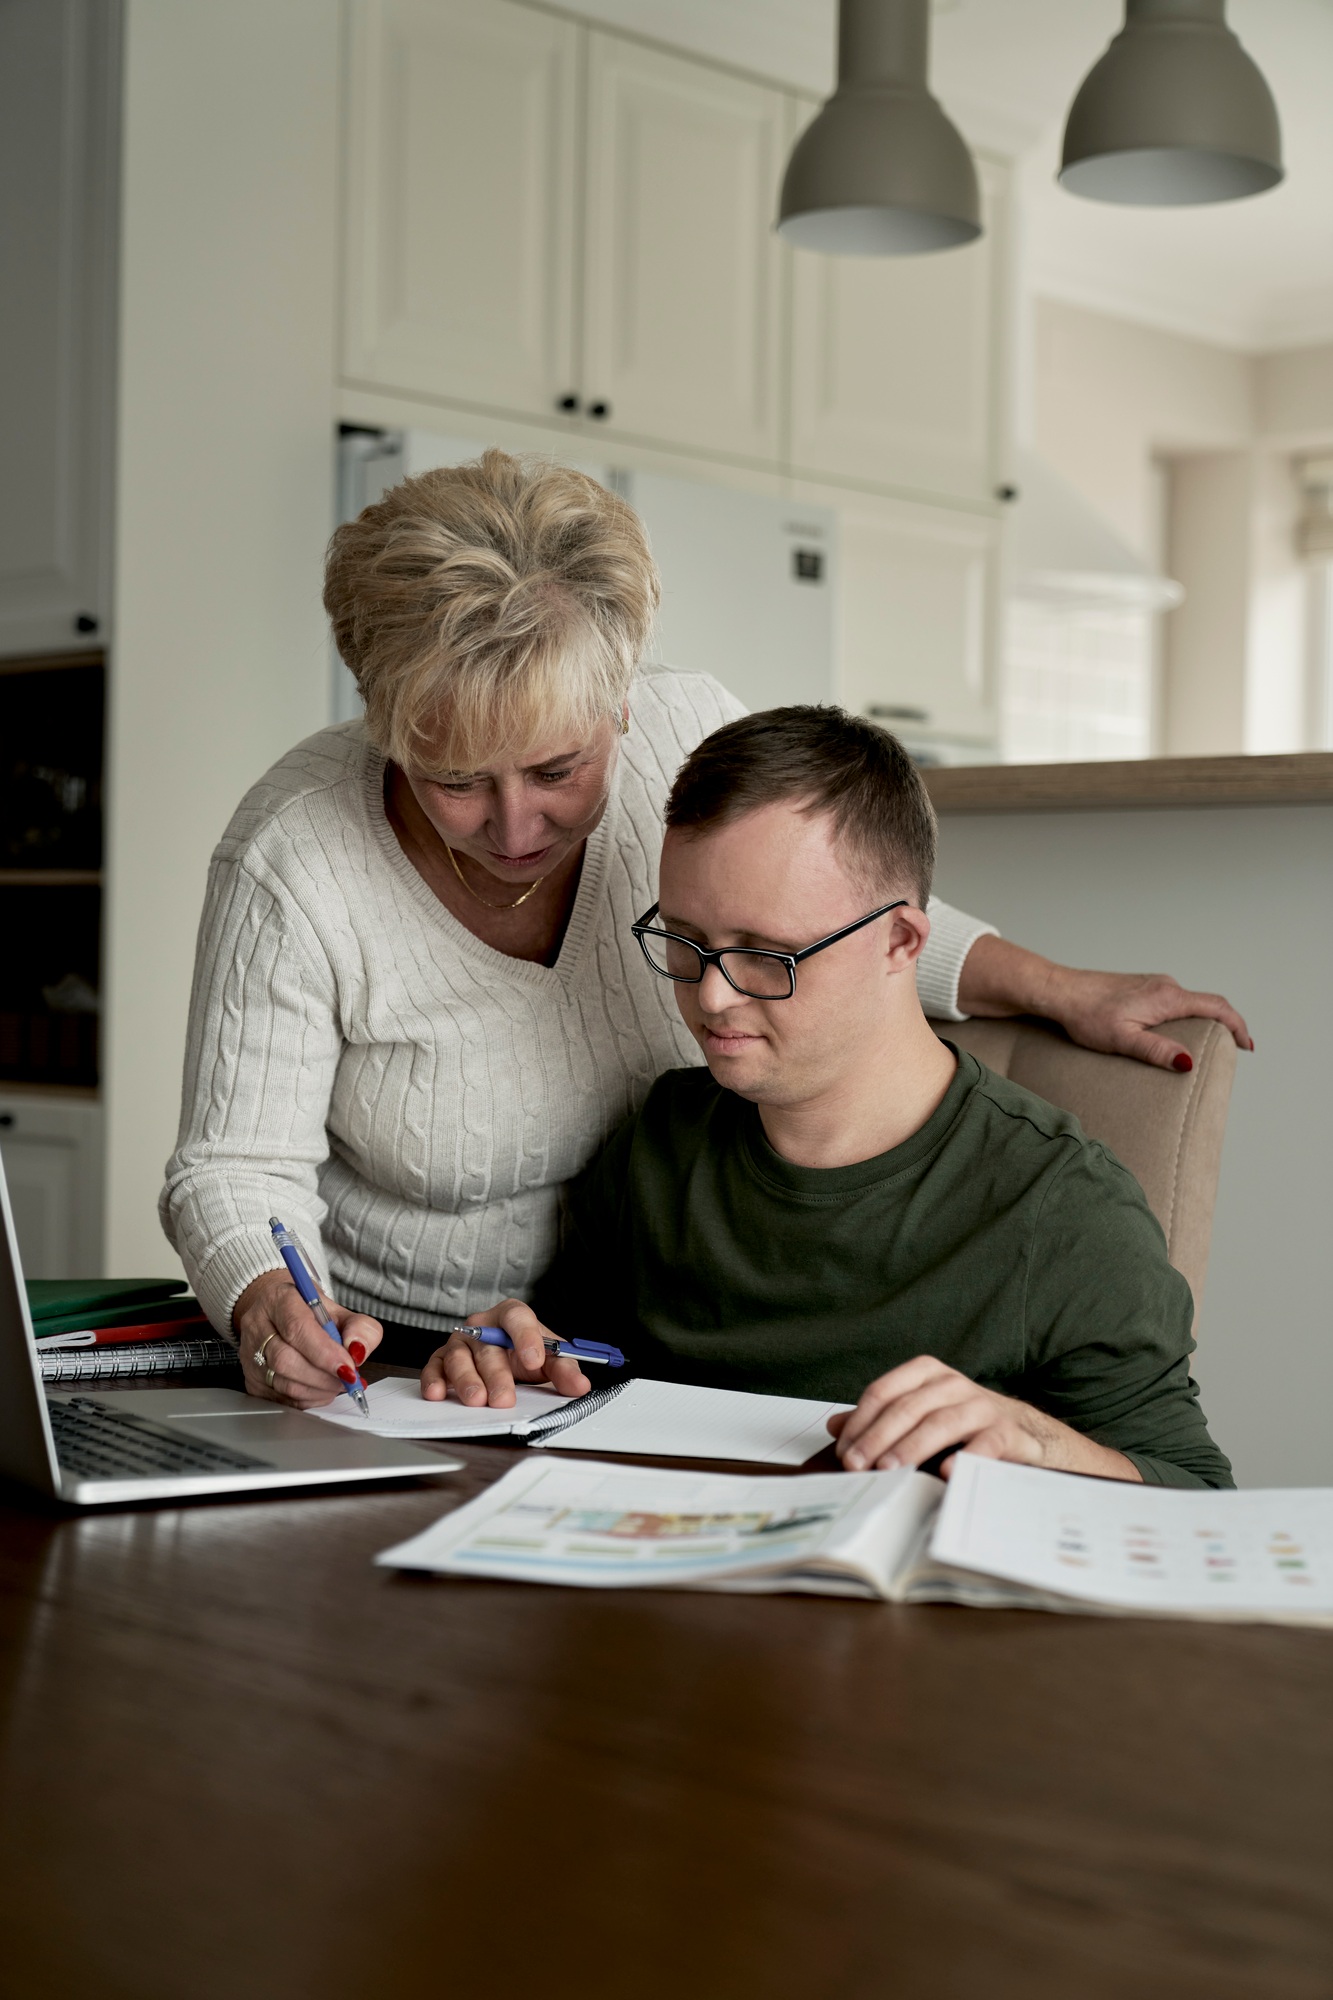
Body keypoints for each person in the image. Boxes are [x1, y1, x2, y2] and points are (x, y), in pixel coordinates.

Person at [160, 450, 1250, 1412]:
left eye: (556, 768)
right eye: (453, 779)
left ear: (623, 701)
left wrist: (1052, 984)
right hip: (409, 1360)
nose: (513, 825)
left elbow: (827, 902)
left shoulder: (683, 730)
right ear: (385, 728)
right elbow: (233, 1167)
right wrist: (273, 1306)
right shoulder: (295, 854)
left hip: (603, 1342)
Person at [431, 707, 1232, 1491]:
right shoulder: (660, 1139)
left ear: (901, 943)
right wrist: (506, 1356)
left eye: (765, 955)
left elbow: (1194, 1500)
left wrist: (1036, 1441)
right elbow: (572, 1369)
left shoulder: (1061, 1210)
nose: (710, 998)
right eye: (685, 942)